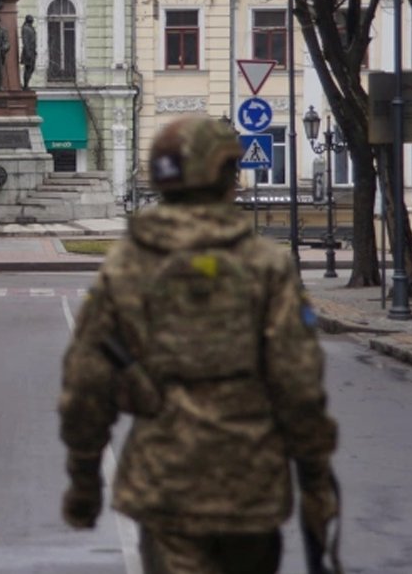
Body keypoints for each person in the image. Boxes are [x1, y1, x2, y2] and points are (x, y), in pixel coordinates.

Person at [58, 115, 339, 574]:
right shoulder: (265, 265)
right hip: (251, 484)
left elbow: (86, 381)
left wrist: (84, 481)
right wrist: (315, 483)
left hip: (166, 484)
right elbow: (299, 383)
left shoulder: (129, 265)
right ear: (226, 174)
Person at [20, 15, 37, 90]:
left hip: (32, 51)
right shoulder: (26, 28)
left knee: (31, 68)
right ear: (28, 19)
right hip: (28, 52)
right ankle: (25, 85)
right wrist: (28, 53)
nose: (32, 20)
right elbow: (25, 41)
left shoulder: (30, 27)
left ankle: (26, 84)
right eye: (31, 18)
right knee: (28, 68)